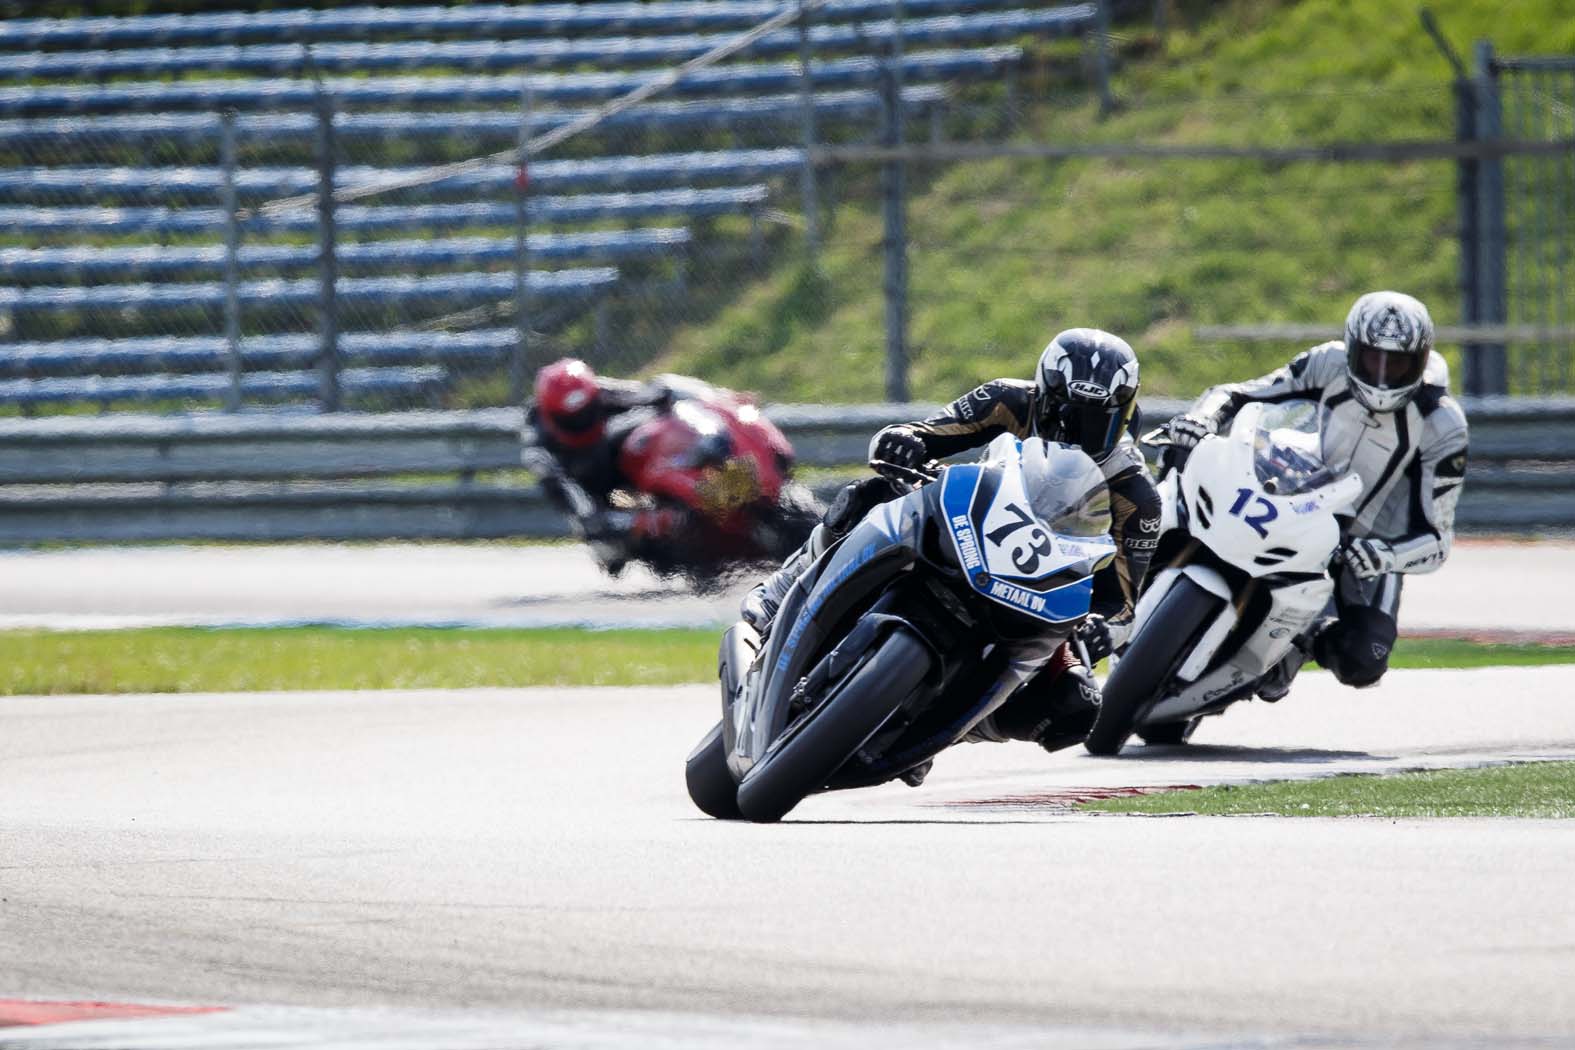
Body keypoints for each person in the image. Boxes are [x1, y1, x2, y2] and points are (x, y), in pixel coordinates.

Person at [740, 328, 1164, 754]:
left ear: (1126, 416)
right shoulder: (1008, 400)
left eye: (1097, 422)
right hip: (970, 529)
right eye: (1067, 415)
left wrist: (1099, 631)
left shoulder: (1137, 495)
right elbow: (925, 434)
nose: (1076, 433)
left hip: (1042, 595)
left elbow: (1124, 604)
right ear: (1045, 395)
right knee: (868, 495)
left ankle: (942, 732)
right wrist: (903, 443)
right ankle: (782, 590)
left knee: (1075, 705)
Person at [1164, 290, 1469, 699]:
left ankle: (1303, 641)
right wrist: (1199, 419)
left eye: (1396, 364)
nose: (1381, 376)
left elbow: (1438, 539)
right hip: (1297, 491)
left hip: (1366, 542)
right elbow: (1241, 393)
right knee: (1177, 475)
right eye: (1371, 359)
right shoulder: (1327, 362)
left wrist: (1385, 555)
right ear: (1352, 348)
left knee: (1365, 659)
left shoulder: (1442, 423)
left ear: (1419, 360)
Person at [525, 358, 692, 573]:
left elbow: (656, 392)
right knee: (609, 549)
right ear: (550, 416)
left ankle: (680, 490)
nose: (582, 420)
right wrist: (637, 522)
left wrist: (714, 399)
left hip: (614, 459)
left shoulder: (599, 391)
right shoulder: (540, 445)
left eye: (587, 411)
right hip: (587, 483)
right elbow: (584, 510)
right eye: (572, 419)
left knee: (659, 414)